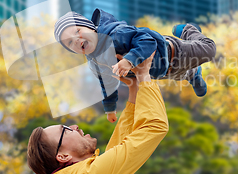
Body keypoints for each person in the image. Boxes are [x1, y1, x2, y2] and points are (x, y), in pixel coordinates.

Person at [27, 51, 168, 174]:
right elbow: (154, 126)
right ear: (63, 156)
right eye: (65, 129)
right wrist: (144, 74)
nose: (75, 126)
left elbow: (121, 142)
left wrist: (134, 86)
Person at [54, 9, 216, 122]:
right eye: (69, 42)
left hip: (174, 51)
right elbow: (107, 84)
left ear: (90, 27)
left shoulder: (117, 34)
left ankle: (188, 30)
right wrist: (110, 107)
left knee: (209, 50)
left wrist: (129, 60)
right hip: (163, 72)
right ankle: (194, 75)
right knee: (183, 74)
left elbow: (147, 40)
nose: (76, 39)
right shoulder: (96, 62)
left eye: (77, 31)